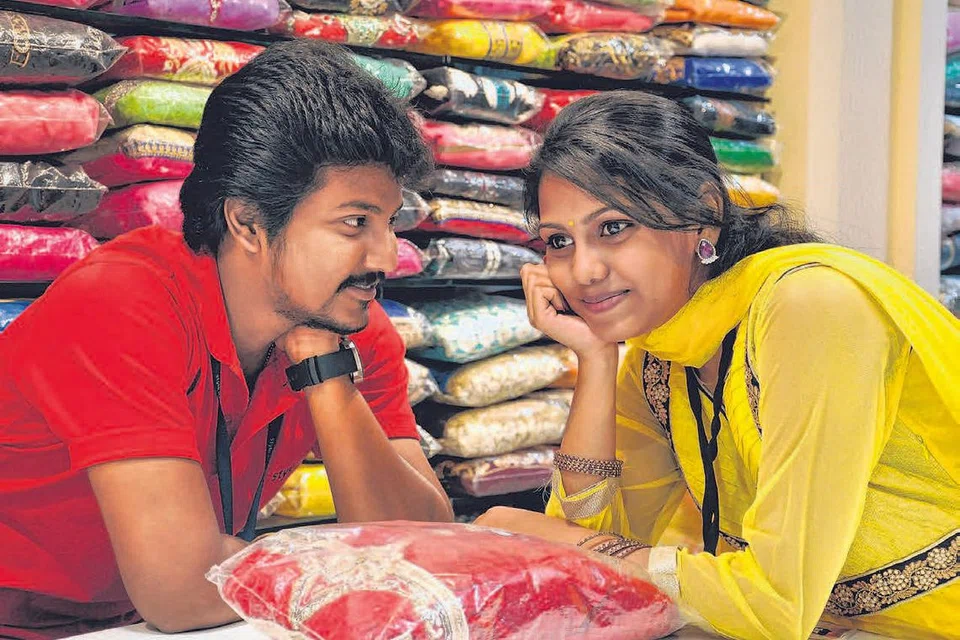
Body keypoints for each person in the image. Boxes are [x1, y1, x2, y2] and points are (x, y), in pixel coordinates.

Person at [0, 40, 453, 639]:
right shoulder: (122, 301)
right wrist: (342, 568)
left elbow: (425, 552)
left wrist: (325, 377)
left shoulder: (346, 324)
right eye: (355, 223)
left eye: (390, 223)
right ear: (247, 223)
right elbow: (180, 588)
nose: (387, 257)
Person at [475, 91, 959, 640]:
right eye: (559, 241)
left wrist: (566, 543)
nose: (583, 271)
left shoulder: (811, 307)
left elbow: (773, 606)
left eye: (613, 227)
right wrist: (595, 360)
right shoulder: (663, 355)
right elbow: (584, 554)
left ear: (703, 215)